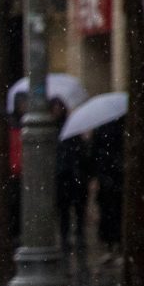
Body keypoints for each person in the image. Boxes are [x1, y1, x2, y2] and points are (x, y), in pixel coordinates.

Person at [55, 102, 90, 254]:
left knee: (78, 209)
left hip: (75, 176)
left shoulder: (72, 129)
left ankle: (79, 236)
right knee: (64, 211)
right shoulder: (53, 129)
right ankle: (65, 237)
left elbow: (82, 154)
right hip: (63, 177)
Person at [91, 117, 125, 261]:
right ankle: (113, 246)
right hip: (113, 178)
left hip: (110, 178)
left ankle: (112, 246)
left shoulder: (102, 129)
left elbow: (94, 153)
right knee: (112, 213)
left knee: (110, 213)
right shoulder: (119, 129)